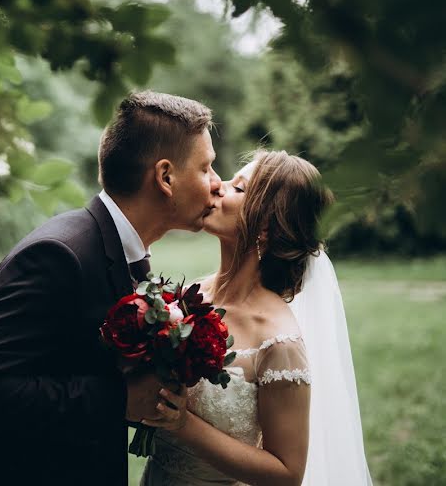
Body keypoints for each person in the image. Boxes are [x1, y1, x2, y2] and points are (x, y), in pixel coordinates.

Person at [0, 91, 225, 486]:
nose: (217, 184)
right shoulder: (58, 255)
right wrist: (118, 399)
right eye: (206, 168)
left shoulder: (123, 252)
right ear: (165, 177)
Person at [142, 151, 372, 485]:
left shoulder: (279, 340)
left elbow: (287, 474)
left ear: (265, 225)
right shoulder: (188, 296)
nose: (218, 186)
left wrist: (184, 426)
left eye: (238, 188)